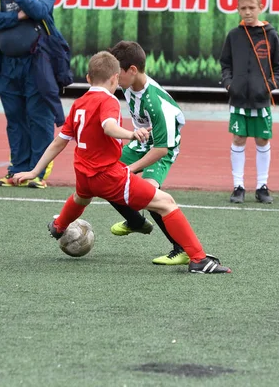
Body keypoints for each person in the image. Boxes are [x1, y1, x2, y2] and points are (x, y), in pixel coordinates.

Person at [12, 51, 231, 274]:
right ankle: (198, 259)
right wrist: (131, 134)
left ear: (88, 78)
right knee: (166, 203)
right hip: (108, 176)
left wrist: (34, 171)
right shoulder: (108, 100)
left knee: (81, 197)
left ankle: (58, 226)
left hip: (83, 174)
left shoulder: (79, 104)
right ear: (115, 78)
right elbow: (108, 126)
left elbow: (59, 142)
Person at [104, 40, 188, 266]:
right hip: (142, 142)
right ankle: (135, 221)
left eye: (117, 73)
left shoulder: (155, 102)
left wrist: (130, 168)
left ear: (132, 70)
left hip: (163, 148)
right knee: (104, 176)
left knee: (150, 194)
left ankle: (181, 248)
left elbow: (161, 148)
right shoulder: (126, 84)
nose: (114, 78)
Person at [0, 0, 66, 189]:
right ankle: (17, 170)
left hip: (38, 64)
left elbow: (40, 12)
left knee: (39, 117)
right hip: (8, 66)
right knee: (15, 118)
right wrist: (17, 16)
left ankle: (38, 173)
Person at [220, 0, 279, 204]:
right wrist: (229, 85)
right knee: (238, 139)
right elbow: (225, 64)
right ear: (238, 9)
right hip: (238, 99)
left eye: (251, 8)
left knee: (262, 139)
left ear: (260, 8)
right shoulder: (233, 35)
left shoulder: (270, 34)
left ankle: (262, 186)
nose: (247, 12)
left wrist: (268, 86)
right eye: (243, 8)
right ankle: (238, 186)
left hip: (261, 100)